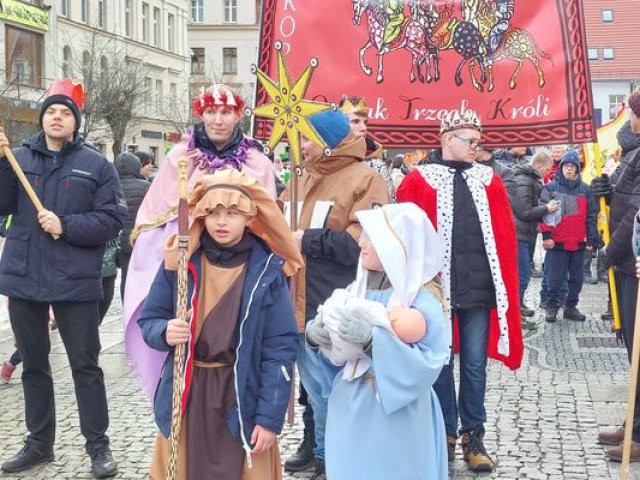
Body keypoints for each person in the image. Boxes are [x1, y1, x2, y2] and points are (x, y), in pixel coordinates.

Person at [138, 169, 302, 479]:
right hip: (188, 393)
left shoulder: (267, 272)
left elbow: (280, 347)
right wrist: (165, 331)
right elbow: (150, 319)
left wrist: (268, 418)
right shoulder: (181, 263)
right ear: (202, 216)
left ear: (249, 217)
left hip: (243, 393)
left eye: (231, 213)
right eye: (213, 213)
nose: (221, 222)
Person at [0, 78, 126, 478]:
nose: (57, 117)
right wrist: (2, 164)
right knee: (34, 365)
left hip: (75, 280)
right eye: (51, 112)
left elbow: (111, 220)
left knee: (85, 366)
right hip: (25, 276)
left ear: (75, 122)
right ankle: (39, 444)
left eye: (65, 112)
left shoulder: (96, 165)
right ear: (42, 119)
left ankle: (98, 447)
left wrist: (66, 225)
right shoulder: (17, 157)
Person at [124, 84, 276, 402]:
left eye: (225, 112)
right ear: (201, 114)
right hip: (193, 265)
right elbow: (157, 215)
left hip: (239, 264)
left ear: (237, 116)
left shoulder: (257, 163)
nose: (217, 120)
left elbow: (267, 222)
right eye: (211, 112)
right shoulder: (180, 158)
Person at [396, 107, 523, 473]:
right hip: (435, 292)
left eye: (479, 142)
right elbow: (406, 238)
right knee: (438, 362)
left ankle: (474, 435)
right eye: (469, 140)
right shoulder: (418, 181)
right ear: (447, 138)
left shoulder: (489, 179)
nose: (475, 147)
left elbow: (504, 236)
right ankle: (444, 433)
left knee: (474, 363)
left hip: (479, 287)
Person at [280, 109, 389, 479]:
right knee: (314, 391)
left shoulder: (366, 179)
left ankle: (332, 463)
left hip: (330, 303)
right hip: (292, 302)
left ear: (328, 142)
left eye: (308, 138)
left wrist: (305, 240)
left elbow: (363, 241)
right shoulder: (300, 178)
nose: (301, 146)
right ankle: (320, 452)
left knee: (332, 393)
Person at [305, 203, 449, 480]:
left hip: (399, 414)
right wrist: (318, 338)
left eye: (370, 237)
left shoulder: (420, 300)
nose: (361, 243)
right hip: (351, 406)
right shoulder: (353, 292)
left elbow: (431, 362)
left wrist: (374, 342)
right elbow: (336, 353)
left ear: (397, 246)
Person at [593, 93, 640, 461]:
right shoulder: (633, 152)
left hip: (632, 262)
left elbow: (635, 214)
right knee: (630, 347)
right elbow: (623, 199)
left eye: (634, 113)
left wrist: (610, 253)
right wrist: (604, 192)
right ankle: (634, 420)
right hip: (627, 265)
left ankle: (638, 433)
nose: (630, 118)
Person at [539, 150, 597, 322]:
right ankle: (551, 306)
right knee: (554, 279)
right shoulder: (550, 188)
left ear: (578, 170)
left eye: (573, 167)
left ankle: (571, 307)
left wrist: (592, 238)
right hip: (557, 243)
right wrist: (546, 235)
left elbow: (591, 215)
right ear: (561, 168)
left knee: (576, 280)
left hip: (578, 243)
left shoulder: (586, 190)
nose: (569, 169)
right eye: (566, 166)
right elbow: (543, 213)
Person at [511, 150, 557, 327]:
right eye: (546, 170)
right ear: (538, 166)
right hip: (519, 234)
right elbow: (524, 211)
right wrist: (546, 209)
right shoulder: (524, 180)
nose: (547, 174)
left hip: (524, 233)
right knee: (521, 274)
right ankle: (515, 315)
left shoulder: (529, 179)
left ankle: (519, 306)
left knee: (524, 273)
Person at [339, 95, 395, 199]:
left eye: (365, 122)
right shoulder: (327, 160)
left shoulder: (377, 166)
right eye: (355, 121)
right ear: (340, 124)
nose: (363, 128)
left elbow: (389, 205)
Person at [115, 152, 151, 301]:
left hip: (119, 240)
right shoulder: (145, 186)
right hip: (140, 239)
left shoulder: (111, 185)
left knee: (126, 277)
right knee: (143, 278)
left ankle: (127, 308)